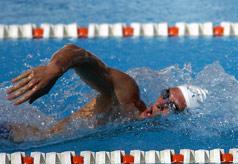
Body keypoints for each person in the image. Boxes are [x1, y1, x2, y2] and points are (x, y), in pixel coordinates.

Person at [2, 44, 208, 142]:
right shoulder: (127, 97)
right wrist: (53, 70)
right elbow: (79, 54)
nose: (161, 104)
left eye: (171, 107)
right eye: (165, 95)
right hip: (19, 136)